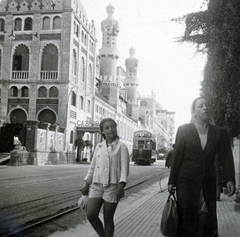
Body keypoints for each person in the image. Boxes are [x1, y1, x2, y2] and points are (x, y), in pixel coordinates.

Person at [168, 97, 236, 237]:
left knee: (206, 219)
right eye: (200, 106)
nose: (205, 107)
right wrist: (171, 181)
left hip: (208, 183)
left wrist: (230, 179)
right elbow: (177, 157)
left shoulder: (219, 132)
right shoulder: (184, 130)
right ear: (194, 112)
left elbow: (226, 157)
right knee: (187, 219)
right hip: (185, 182)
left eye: (207, 105)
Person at [81, 118, 130, 237]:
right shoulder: (99, 146)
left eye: (112, 126)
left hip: (112, 186)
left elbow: (124, 169)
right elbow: (92, 167)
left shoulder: (122, 147)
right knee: (91, 215)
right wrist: (87, 183)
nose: (111, 129)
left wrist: (121, 185)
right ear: (102, 131)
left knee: (108, 219)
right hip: (97, 185)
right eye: (107, 128)